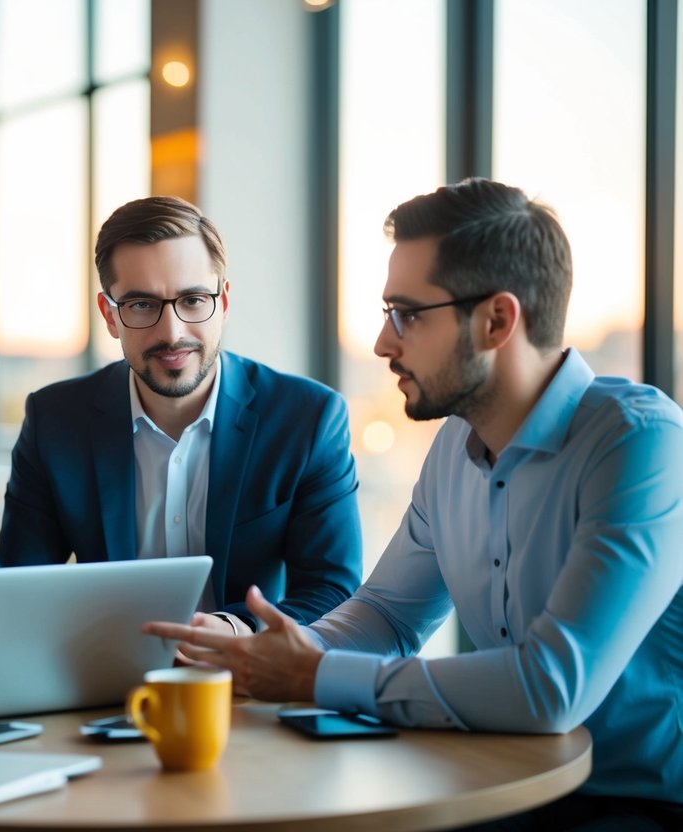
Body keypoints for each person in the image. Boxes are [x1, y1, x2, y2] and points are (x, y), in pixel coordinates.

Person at [144, 179, 683, 828]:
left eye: (406, 314)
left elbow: (550, 689)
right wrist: (269, 653)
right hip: (505, 779)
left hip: (638, 802)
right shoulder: (456, 444)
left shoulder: (638, 443)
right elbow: (386, 616)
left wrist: (313, 676)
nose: (381, 343)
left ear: (496, 321)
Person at [0, 196, 363, 633]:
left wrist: (234, 630)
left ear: (224, 302)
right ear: (109, 316)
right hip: (102, 679)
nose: (171, 333)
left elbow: (332, 589)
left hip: (246, 676)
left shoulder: (307, 419)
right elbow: (20, 588)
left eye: (192, 300)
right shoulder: (53, 420)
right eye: (141, 305)